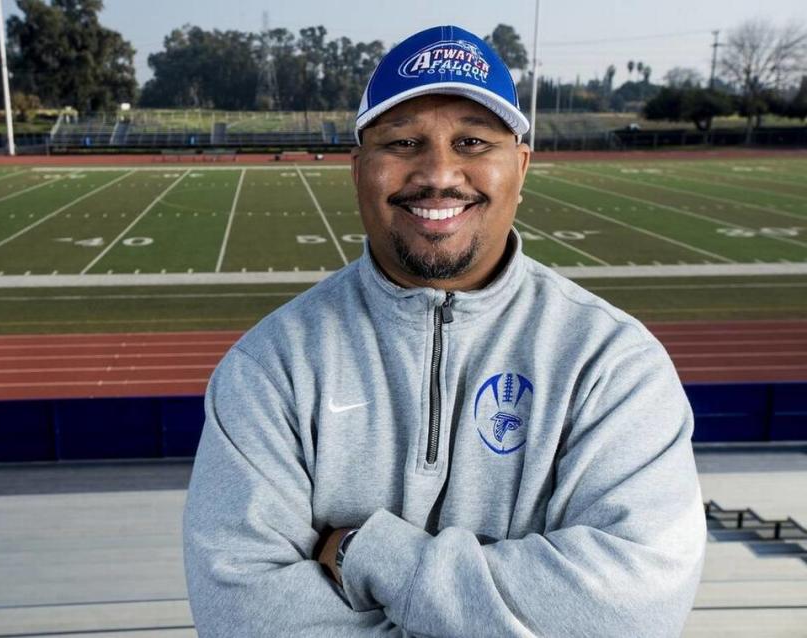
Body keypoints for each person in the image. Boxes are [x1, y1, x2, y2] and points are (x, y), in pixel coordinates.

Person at [184, 24, 706, 637]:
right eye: (402, 142)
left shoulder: (613, 364)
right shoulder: (270, 368)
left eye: (473, 141)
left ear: (521, 165)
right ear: (358, 169)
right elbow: (242, 615)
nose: (439, 173)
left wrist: (366, 554)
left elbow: (631, 612)